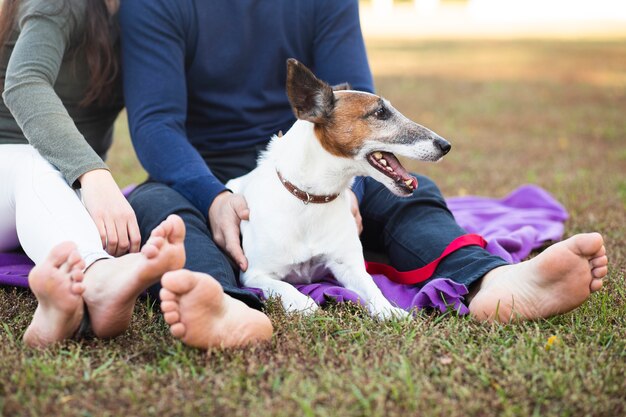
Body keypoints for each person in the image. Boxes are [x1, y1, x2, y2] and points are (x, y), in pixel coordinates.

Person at [119, 0, 608, 348]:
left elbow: (358, 99)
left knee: (412, 195)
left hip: (325, 158)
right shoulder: (155, 4)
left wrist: (351, 175)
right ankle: (224, 304)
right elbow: (155, 124)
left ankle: (490, 282)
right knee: (158, 205)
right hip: (205, 165)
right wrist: (211, 195)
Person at [0, 0, 188, 347]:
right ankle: (98, 280)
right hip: (12, 171)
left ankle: (64, 311)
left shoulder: (147, 14)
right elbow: (24, 82)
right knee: (33, 163)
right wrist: (94, 174)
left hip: (51, 194)